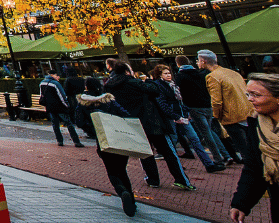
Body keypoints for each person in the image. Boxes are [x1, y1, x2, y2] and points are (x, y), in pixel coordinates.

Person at [104, 60, 196, 191]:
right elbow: (155, 90)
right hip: (152, 121)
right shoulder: (134, 82)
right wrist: (147, 81)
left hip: (133, 123)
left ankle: (153, 179)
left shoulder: (109, 86)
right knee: (168, 152)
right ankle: (181, 179)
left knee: (145, 152)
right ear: (126, 71)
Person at [229, 73, 279, 223]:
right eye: (248, 94)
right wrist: (241, 203)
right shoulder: (257, 127)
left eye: (256, 95)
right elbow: (254, 168)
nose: (249, 99)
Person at [77, 77, 141, 217]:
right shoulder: (108, 100)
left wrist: (93, 130)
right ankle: (131, 201)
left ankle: (121, 191)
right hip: (117, 138)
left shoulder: (83, 103)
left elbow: (79, 121)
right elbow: (125, 114)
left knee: (112, 172)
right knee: (122, 170)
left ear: (87, 87)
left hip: (102, 140)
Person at [152, 64, 226, 173]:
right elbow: (163, 104)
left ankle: (209, 164)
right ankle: (176, 165)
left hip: (181, 115)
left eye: (169, 73)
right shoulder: (159, 86)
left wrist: (186, 111)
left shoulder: (173, 85)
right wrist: (175, 116)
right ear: (159, 75)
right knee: (172, 142)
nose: (168, 75)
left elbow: (179, 101)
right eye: (165, 73)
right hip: (171, 118)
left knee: (195, 139)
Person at [175, 54, 232, 166]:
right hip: (207, 105)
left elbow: (179, 93)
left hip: (194, 107)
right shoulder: (200, 74)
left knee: (206, 133)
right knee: (209, 131)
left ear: (178, 64)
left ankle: (218, 158)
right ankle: (226, 155)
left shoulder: (180, 76)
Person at [201, 50, 253, 164]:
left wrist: (216, 116)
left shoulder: (212, 77)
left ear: (203, 61)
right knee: (251, 147)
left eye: (198, 60)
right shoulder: (232, 72)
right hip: (248, 112)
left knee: (244, 149)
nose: (197, 63)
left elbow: (216, 101)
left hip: (231, 116)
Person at [40, 69, 84, 147]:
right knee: (69, 123)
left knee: (55, 124)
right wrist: (67, 105)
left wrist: (46, 106)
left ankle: (59, 141)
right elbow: (62, 96)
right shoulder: (55, 84)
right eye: (57, 75)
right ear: (52, 75)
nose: (58, 77)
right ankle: (76, 141)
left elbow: (42, 95)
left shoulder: (42, 83)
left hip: (50, 107)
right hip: (59, 107)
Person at [64, 66, 88, 137]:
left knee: (74, 109)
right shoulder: (81, 79)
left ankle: (76, 121)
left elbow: (66, 90)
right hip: (81, 97)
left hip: (72, 97)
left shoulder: (68, 80)